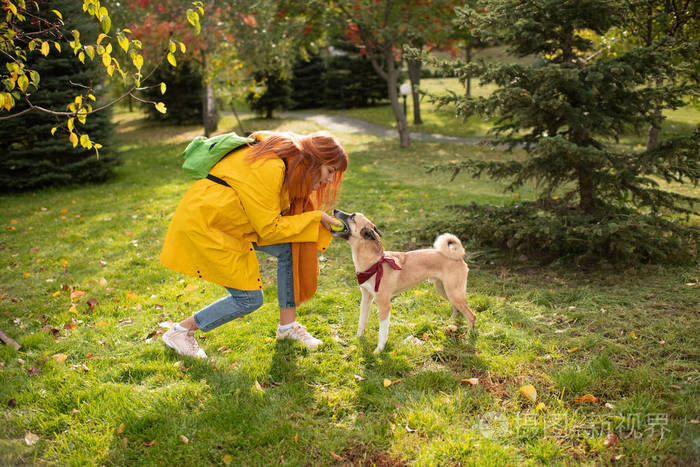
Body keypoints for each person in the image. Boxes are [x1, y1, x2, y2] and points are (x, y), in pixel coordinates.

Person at [160, 131, 348, 358]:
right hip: (210, 225)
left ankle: (287, 328)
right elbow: (269, 228)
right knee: (249, 299)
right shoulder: (272, 167)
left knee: (290, 248)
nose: (329, 180)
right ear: (315, 159)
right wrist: (316, 218)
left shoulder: (289, 159)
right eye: (330, 171)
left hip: (236, 222)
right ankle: (181, 331)